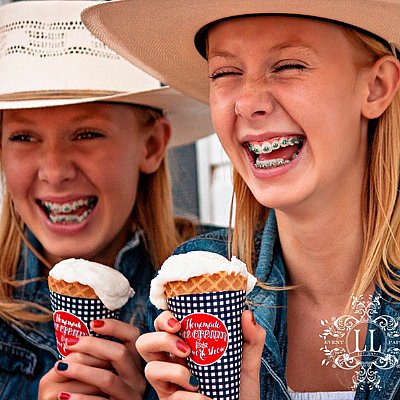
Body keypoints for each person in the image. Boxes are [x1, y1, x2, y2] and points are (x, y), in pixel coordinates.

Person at [82, 1, 400, 399]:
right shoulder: (188, 287)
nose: (247, 102)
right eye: (225, 73)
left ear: (377, 87)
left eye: (288, 66)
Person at [0, 1, 214, 399]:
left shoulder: (240, 276)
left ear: (151, 145)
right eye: (23, 137)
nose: (54, 170)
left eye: (86, 134)